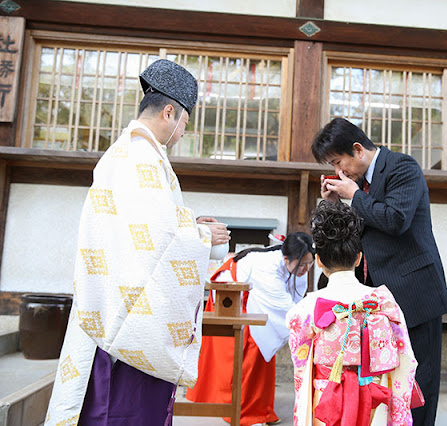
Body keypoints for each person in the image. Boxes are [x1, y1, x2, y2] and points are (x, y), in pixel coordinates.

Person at [45, 59, 230, 426]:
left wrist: (190, 225)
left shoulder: (129, 152)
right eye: (184, 124)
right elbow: (157, 238)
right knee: (121, 411)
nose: (181, 134)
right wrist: (204, 237)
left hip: (116, 308)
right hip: (128, 325)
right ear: (169, 112)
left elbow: (143, 230)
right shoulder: (141, 157)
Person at [312, 117, 447, 425]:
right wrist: (335, 205)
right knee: (383, 381)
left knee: (418, 380)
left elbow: (395, 219)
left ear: (358, 149)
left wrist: (353, 196)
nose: (339, 173)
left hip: (415, 294)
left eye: (339, 163)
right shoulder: (358, 187)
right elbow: (355, 234)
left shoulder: (403, 167)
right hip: (376, 301)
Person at [286, 200, 418, 425]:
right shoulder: (382, 301)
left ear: (318, 261)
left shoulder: (305, 309)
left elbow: (302, 369)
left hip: (326, 401)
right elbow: (406, 360)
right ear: (358, 259)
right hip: (375, 399)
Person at [186, 232, 315, 426]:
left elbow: (294, 301)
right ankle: (242, 413)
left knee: (262, 355)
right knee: (247, 350)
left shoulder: (294, 266)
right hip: (231, 295)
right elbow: (284, 308)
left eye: (309, 264)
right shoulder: (267, 267)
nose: (306, 269)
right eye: (302, 264)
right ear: (287, 258)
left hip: (253, 299)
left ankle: (260, 411)